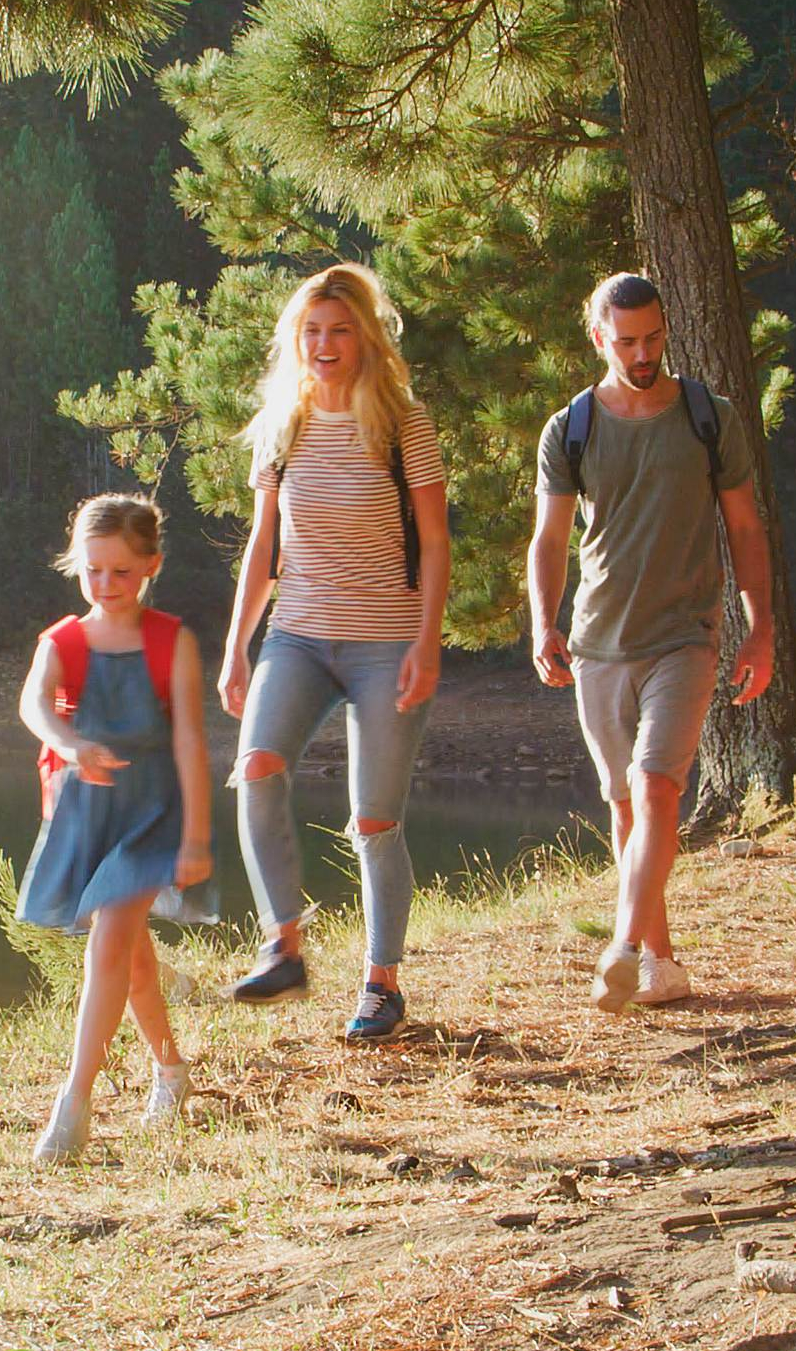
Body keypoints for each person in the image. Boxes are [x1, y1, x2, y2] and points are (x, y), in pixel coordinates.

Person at [525, 272, 776, 1012]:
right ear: (600, 337)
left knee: (657, 785)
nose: (644, 353)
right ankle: (661, 964)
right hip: (600, 639)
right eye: (628, 340)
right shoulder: (571, 427)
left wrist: (758, 627)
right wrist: (544, 621)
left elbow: (746, 527)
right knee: (625, 806)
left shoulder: (707, 416)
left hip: (684, 635)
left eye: (654, 337)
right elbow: (548, 538)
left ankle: (624, 946)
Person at [215, 264, 451, 1042]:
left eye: (340, 330)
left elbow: (438, 540)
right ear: (296, 340)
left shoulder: (402, 424)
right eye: (312, 331)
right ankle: (282, 940)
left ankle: (381, 987)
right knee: (254, 767)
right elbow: (264, 546)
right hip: (299, 637)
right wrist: (237, 648)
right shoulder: (281, 426)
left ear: (365, 337)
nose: (325, 343)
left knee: (374, 822)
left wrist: (426, 642)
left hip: (387, 641)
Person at [17, 494, 217, 1164]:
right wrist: (71, 745)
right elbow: (36, 704)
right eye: (93, 571)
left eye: (122, 572)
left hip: (155, 815)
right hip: (90, 813)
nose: (106, 585)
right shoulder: (65, 641)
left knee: (107, 945)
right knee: (131, 962)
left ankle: (73, 1106)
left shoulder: (172, 642)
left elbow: (191, 739)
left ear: (152, 566)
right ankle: (170, 1068)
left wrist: (195, 837)